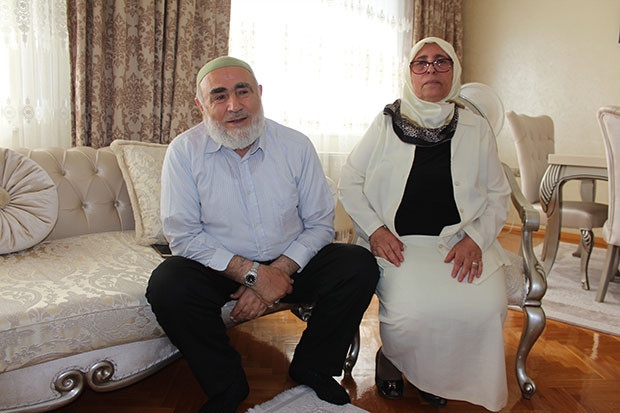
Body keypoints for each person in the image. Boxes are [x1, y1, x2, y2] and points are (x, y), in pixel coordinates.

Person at [145, 56, 379, 413]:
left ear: (259, 93)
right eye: (219, 96)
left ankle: (313, 365)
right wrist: (254, 275)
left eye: (243, 92)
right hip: (222, 268)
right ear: (201, 106)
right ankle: (226, 384)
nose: (234, 105)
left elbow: (319, 224)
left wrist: (276, 273)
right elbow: (184, 236)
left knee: (358, 264)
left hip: (291, 262)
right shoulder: (184, 152)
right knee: (168, 283)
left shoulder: (296, 145)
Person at [338, 37, 511, 412]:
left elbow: (499, 195)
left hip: (458, 242)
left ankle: (437, 375)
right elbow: (349, 182)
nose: (431, 69)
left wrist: (476, 239)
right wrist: (376, 230)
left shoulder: (476, 127)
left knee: (487, 307)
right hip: (400, 243)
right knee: (413, 313)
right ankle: (393, 360)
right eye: (422, 62)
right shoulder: (386, 122)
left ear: (454, 72)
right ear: (410, 74)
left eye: (441, 62)